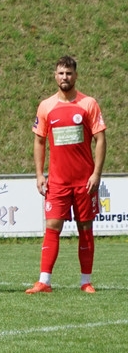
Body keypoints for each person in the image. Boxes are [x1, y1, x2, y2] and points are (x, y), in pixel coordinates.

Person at [27, 56, 106, 294]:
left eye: (69, 73)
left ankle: (86, 281)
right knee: (52, 226)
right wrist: (39, 174)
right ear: (55, 76)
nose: (65, 77)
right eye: (61, 73)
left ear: (76, 76)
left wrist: (96, 174)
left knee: (85, 227)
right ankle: (44, 281)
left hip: (84, 181)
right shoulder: (46, 106)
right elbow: (39, 141)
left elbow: (100, 139)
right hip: (58, 181)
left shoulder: (88, 104)